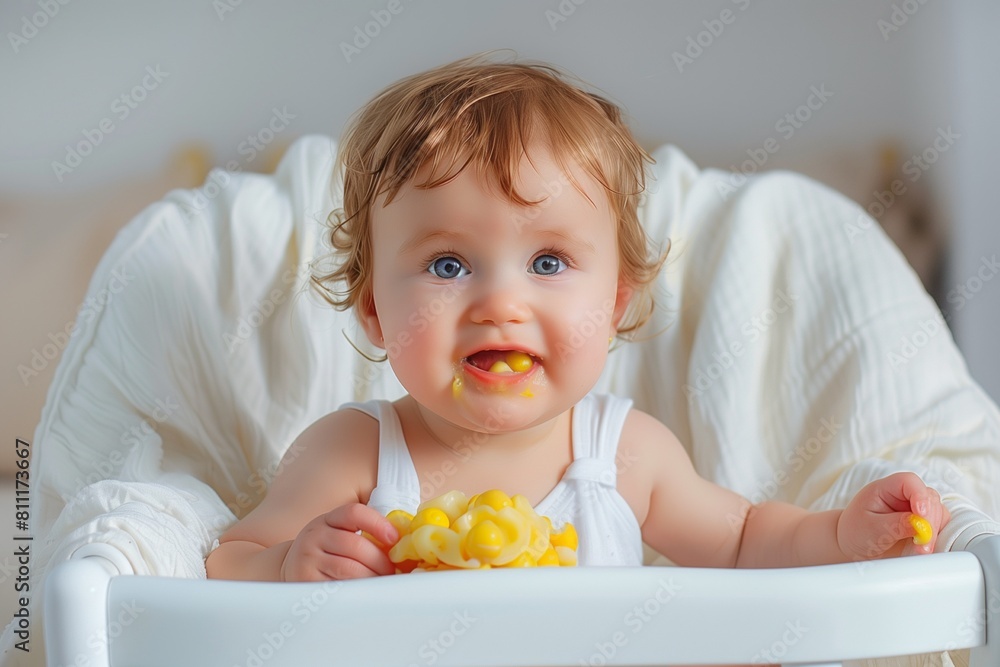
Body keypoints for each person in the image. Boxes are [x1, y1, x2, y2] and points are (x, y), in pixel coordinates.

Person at [205, 53, 950, 582]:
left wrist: (847, 533)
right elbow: (226, 562)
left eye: (549, 263)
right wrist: (288, 561)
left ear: (616, 302)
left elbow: (749, 540)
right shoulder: (356, 453)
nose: (501, 303)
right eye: (448, 265)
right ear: (373, 308)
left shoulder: (622, 453)